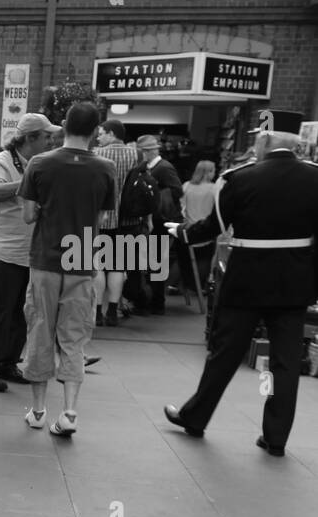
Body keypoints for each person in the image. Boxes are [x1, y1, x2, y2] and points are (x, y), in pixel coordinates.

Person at [164, 131, 318, 457]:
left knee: (225, 353)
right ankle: (275, 438)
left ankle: (196, 417)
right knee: (285, 363)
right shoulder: (313, 178)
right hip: (294, 283)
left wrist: (182, 233)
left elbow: (215, 226)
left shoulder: (241, 178)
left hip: (247, 278)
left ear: (265, 146)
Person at [19, 101, 114, 436]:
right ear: (95, 131)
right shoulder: (105, 169)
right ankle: (70, 413)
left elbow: (29, 215)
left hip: (45, 260)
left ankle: (39, 411)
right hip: (82, 262)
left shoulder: (39, 164)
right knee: (73, 338)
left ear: (63, 126)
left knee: (40, 330)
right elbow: (100, 220)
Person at [0, 112, 59, 392]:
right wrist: (27, 183)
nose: (51, 140)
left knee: (23, 313)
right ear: (30, 138)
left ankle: (8, 363)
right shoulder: (2, 161)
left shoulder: (40, 164)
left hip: (30, 252)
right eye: (46, 136)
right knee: (1, 312)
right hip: (3, 251)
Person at [92, 119, 141, 326]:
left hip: (103, 218)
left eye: (102, 133)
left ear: (112, 134)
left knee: (98, 266)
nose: (98, 137)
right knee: (118, 267)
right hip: (128, 218)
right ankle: (113, 311)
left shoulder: (97, 154)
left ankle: (97, 312)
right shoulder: (135, 154)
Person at [134, 135, 182, 315]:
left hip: (161, 221)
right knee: (154, 261)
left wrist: (154, 193)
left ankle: (157, 301)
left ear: (149, 151)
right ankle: (154, 300)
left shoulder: (163, 168)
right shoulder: (157, 167)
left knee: (156, 262)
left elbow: (177, 190)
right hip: (158, 220)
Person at [178, 159, 217, 299]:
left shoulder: (187, 186)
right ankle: (198, 287)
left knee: (185, 258)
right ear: (207, 173)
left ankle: (180, 283)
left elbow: (181, 207)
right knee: (205, 258)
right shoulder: (215, 189)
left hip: (188, 229)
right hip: (206, 230)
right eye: (213, 170)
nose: (215, 173)